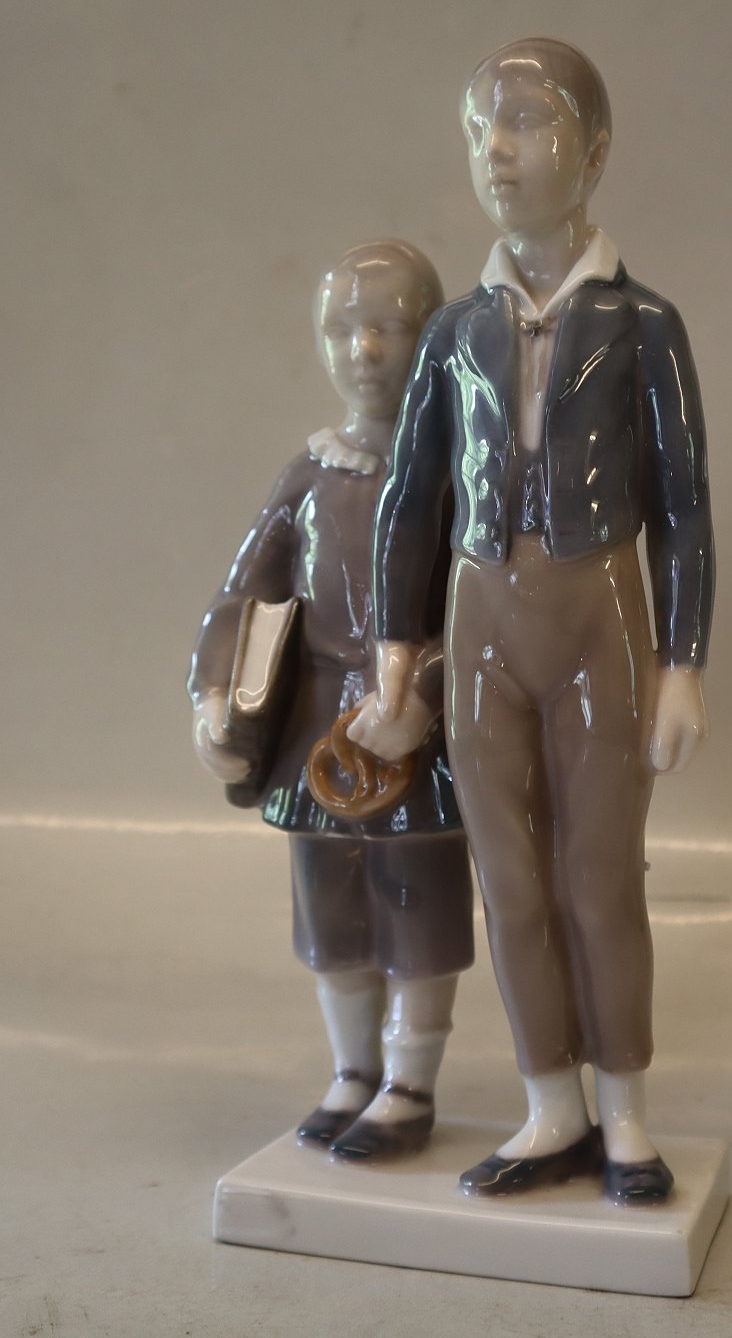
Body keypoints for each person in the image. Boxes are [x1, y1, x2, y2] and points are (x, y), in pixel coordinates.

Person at [350, 40, 714, 1203]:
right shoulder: (455, 332)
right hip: (482, 620)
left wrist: (682, 662)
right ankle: (548, 1102)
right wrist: (396, 653)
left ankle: (625, 1109)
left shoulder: (643, 323)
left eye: (527, 120)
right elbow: (413, 495)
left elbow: (683, 506)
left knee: (600, 878)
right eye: (479, 128)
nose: (496, 151)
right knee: (509, 879)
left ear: (593, 151)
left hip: (600, 613)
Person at [188, 240, 473, 1162]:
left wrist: (424, 692)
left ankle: (408, 1083)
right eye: (342, 329)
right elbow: (245, 591)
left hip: (416, 738)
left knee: (418, 909)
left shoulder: (460, 472)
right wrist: (215, 694)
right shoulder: (310, 475)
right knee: (331, 911)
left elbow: (488, 611)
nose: (364, 351)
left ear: (431, 339)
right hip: (318, 733)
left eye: (390, 327)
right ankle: (352, 1070)